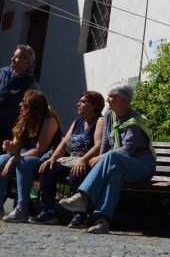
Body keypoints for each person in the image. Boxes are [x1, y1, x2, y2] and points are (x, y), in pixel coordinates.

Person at [58, 82, 155, 235]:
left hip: (141, 167)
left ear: (122, 100)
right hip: (118, 165)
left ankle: (83, 197)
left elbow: (126, 151)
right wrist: (101, 157)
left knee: (112, 156)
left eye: (111, 97)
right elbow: (105, 143)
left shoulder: (135, 121)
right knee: (115, 174)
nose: (107, 99)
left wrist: (102, 157)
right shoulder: (109, 115)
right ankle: (102, 221)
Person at [31, 90, 105, 227]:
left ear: (94, 105)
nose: (78, 104)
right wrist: (52, 158)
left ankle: (80, 215)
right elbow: (64, 143)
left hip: (88, 162)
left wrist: (82, 160)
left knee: (76, 173)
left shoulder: (100, 121)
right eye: (79, 101)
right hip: (70, 160)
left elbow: (98, 145)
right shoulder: (77, 121)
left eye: (83, 102)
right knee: (46, 170)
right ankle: (48, 212)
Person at [0, 89, 61, 223]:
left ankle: (22, 208)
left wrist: (15, 157)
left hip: (43, 158)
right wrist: (9, 146)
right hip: (24, 154)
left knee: (24, 163)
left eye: (24, 102)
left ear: (33, 105)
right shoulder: (25, 120)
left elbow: (39, 150)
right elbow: (15, 147)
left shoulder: (49, 121)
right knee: (1, 160)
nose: (20, 104)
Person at [0, 45, 41, 142]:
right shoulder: (2, 72)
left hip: (8, 132)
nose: (12, 59)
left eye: (17, 57)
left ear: (26, 62)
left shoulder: (30, 84)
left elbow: (37, 107)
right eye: (13, 56)